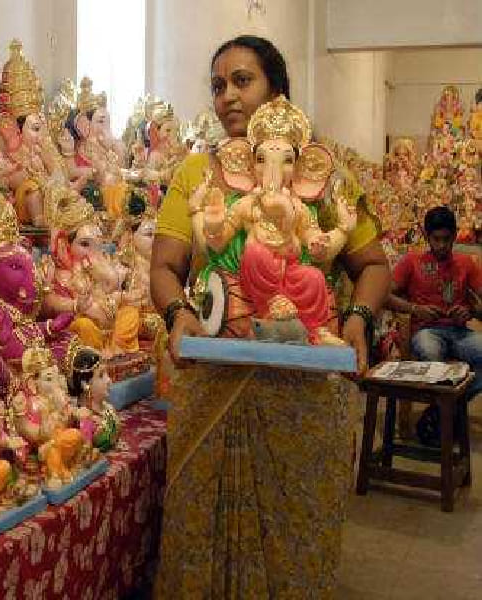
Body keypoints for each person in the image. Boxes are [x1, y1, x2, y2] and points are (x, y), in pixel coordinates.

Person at [151, 35, 391, 598]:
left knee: (295, 532)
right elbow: (164, 266)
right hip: (214, 375)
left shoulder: (326, 175)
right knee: (199, 525)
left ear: (278, 91)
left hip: (303, 391)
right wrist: (179, 313)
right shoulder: (198, 173)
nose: (227, 96)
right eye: (218, 85)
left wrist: (357, 319)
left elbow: (373, 265)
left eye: (243, 80)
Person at [389, 206, 482, 397]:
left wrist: (471, 312)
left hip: (460, 332)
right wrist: (415, 309)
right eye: (436, 239)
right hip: (426, 331)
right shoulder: (411, 261)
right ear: (427, 237)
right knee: (431, 356)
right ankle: (447, 407)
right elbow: (384, 296)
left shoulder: (465, 263)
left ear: (454, 236)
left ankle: (449, 405)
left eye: (447, 239)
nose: (442, 245)